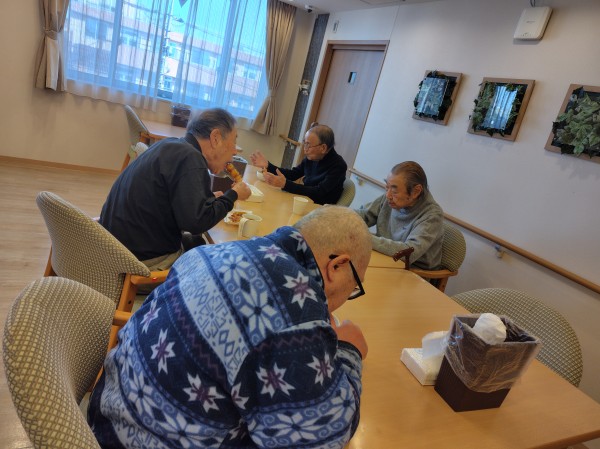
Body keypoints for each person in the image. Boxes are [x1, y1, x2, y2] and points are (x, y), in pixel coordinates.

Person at [88, 206, 372, 449]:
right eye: (354, 288)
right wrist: (349, 352)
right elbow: (323, 437)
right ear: (338, 265)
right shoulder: (295, 318)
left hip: (107, 416)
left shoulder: (211, 251)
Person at [100, 108, 251, 270]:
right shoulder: (191, 159)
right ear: (216, 138)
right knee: (218, 263)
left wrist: (205, 199)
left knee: (197, 242)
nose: (235, 151)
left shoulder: (171, 145)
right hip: (136, 262)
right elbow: (197, 223)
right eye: (234, 141)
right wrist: (233, 195)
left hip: (109, 246)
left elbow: (171, 199)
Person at [354, 161, 443, 270]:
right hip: (384, 259)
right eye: (387, 187)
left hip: (413, 271)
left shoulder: (432, 215)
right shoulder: (390, 198)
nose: (388, 195)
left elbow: (408, 253)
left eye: (394, 191)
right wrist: (341, 217)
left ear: (416, 191)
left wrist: (365, 238)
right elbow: (365, 215)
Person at [250, 123, 347, 205]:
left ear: (323, 148)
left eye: (308, 145)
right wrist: (268, 165)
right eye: (305, 143)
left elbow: (318, 192)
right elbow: (293, 174)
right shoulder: (312, 157)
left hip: (319, 208)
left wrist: (286, 184)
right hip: (305, 200)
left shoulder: (338, 165)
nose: (305, 149)